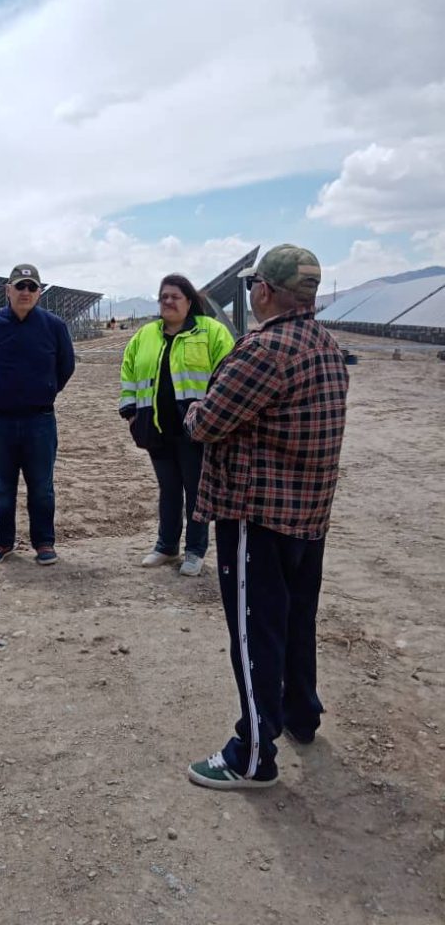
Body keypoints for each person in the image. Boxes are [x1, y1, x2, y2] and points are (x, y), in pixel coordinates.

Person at [184, 245, 349, 789]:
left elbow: (208, 422)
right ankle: (301, 714)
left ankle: (253, 756)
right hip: (308, 514)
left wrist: (193, 411)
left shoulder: (265, 349)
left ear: (265, 291)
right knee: (296, 621)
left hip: (258, 516)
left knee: (257, 633)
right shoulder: (325, 343)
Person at [119, 274, 235, 576]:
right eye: (164, 296)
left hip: (197, 430)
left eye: (175, 296)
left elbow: (228, 375)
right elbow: (128, 371)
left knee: (196, 491)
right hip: (156, 427)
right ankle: (166, 545)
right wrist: (131, 413)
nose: (168, 301)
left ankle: (195, 551)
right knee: (168, 489)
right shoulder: (146, 335)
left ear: (189, 300)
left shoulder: (211, 331)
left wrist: (214, 417)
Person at [0, 263, 75, 566]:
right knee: (3, 487)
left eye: (32, 287)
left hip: (39, 420)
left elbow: (66, 366)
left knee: (41, 487)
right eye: (20, 286)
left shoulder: (54, 326)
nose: (26, 292)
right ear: (8, 290)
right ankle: (3, 541)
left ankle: (44, 542)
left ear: (39, 292)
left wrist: (46, 391)